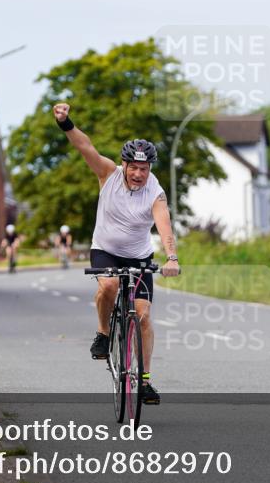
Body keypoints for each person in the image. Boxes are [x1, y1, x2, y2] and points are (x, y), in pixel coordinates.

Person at [52, 102, 180, 405]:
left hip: (139, 256)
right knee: (108, 286)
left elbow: (165, 227)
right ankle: (103, 333)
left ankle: (145, 382)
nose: (138, 174)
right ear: (124, 165)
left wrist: (172, 258)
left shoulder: (155, 192)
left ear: (150, 170)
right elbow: (86, 147)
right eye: (133, 168)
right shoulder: (108, 174)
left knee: (144, 316)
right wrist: (66, 123)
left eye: (144, 169)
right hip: (106, 250)